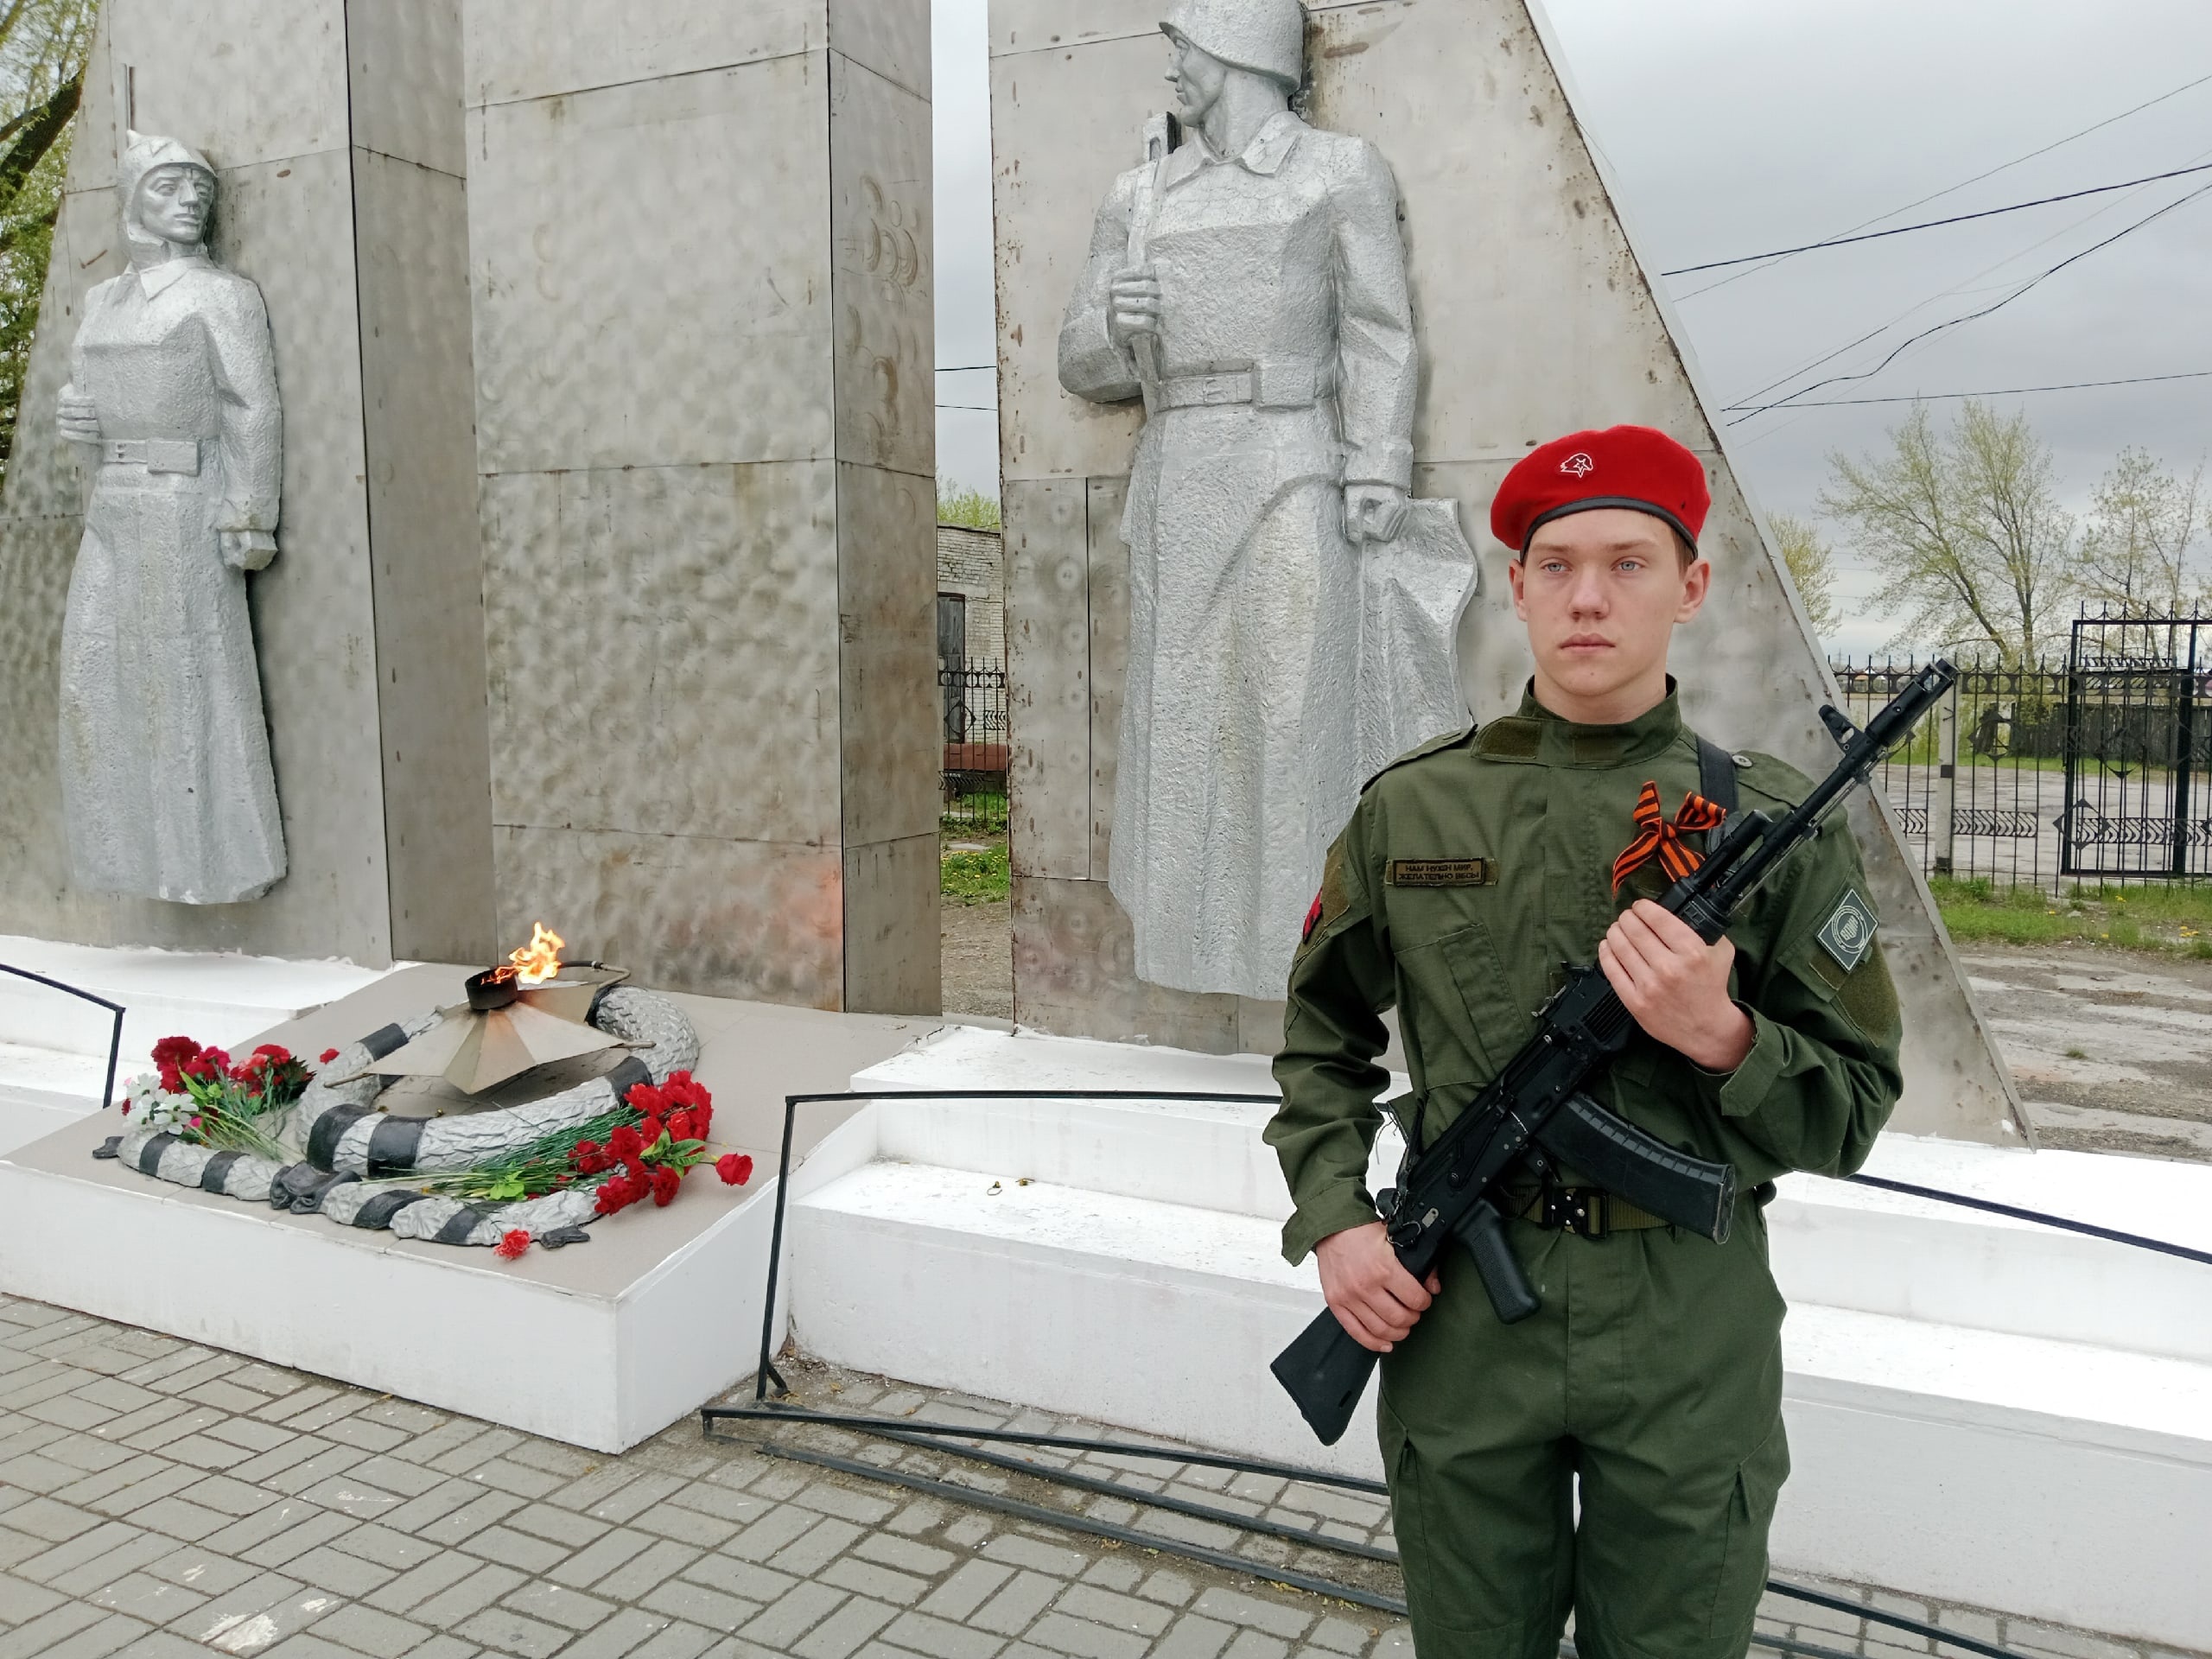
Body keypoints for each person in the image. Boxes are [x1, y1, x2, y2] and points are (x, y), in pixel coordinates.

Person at [1267, 426, 1905, 1659]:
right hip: (1459, 1316)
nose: (1589, 599)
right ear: (1516, 587)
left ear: (1691, 587)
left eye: (1628, 563)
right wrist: (1340, 1224)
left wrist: (1722, 1036)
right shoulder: (1411, 808)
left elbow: (1856, 1106)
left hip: (1686, 1323)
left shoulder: (1769, 825)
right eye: (1555, 566)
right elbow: (1319, 1044)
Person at [1058, 0, 1420, 1000]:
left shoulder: (1336, 172)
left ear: (1236, 48)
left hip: (1291, 454)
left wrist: (1376, 462)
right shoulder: (1139, 195)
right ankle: (1184, 946)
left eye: (1183, 45)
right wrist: (1112, 328)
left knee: (1292, 705)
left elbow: (1378, 329)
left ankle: (1295, 951)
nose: (1172, 67)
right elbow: (1078, 360)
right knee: (1179, 713)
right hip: (1179, 462)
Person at [55, 132, 286, 905]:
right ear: (132, 199)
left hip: (182, 503)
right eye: (169, 186)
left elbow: (248, 403)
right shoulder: (101, 300)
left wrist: (248, 512)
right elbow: (92, 390)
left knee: (183, 685)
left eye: (200, 188)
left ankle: (208, 867)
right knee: (94, 677)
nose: (191, 199)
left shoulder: (222, 295)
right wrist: (77, 417)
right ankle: (126, 864)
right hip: (110, 510)